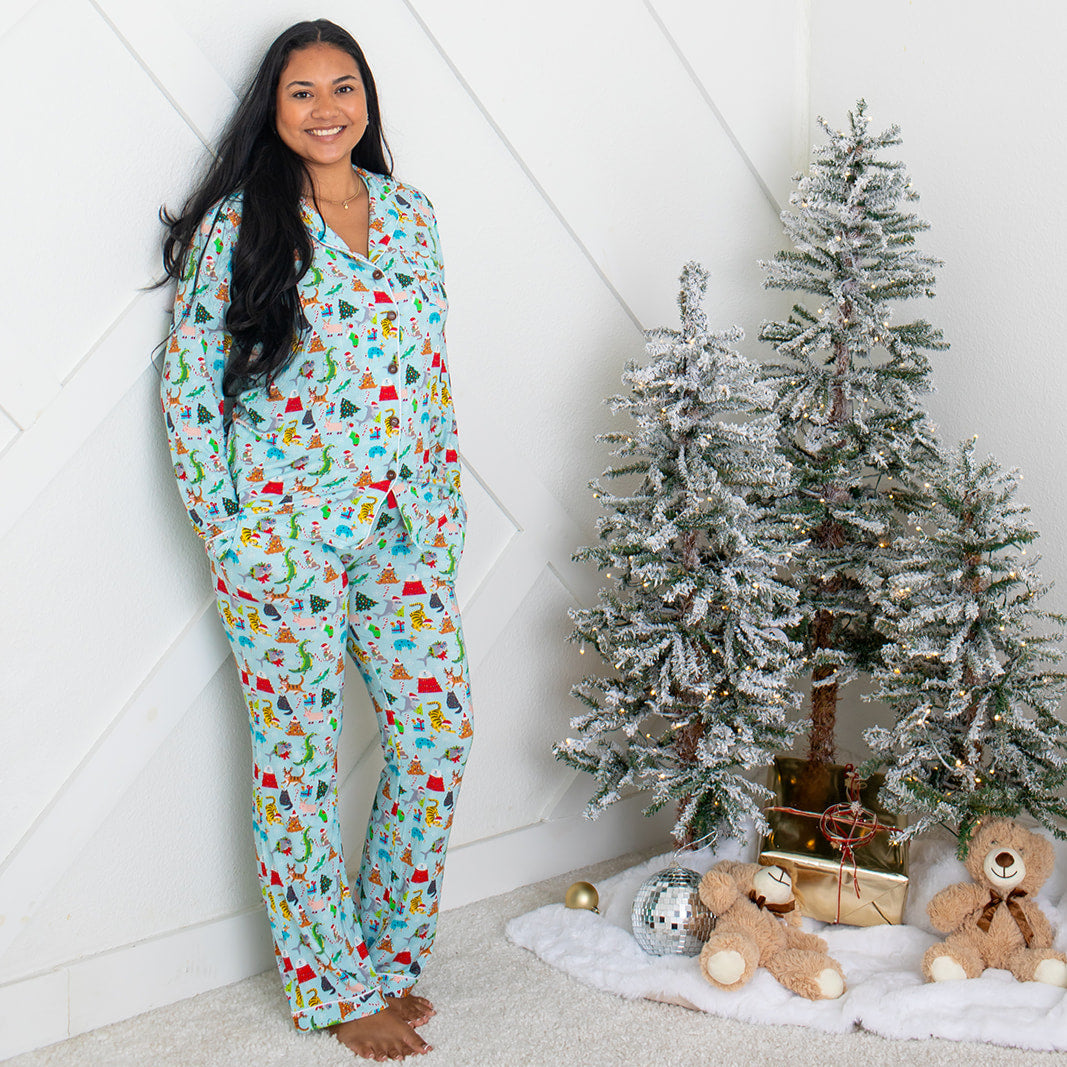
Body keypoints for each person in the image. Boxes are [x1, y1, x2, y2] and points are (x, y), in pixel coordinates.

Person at [158, 19, 473, 1061]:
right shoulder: (244, 223)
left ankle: (385, 960)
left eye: (344, 87)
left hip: (403, 535)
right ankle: (330, 985)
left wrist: (439, 513)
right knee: (293, 761)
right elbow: (187, 383)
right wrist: (229, 530)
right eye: (302, 93)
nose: (327, 107)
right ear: (274, 107)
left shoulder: (413, 216)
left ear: (367, 100)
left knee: (437, 735)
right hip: (282, 539)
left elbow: (429, 372)